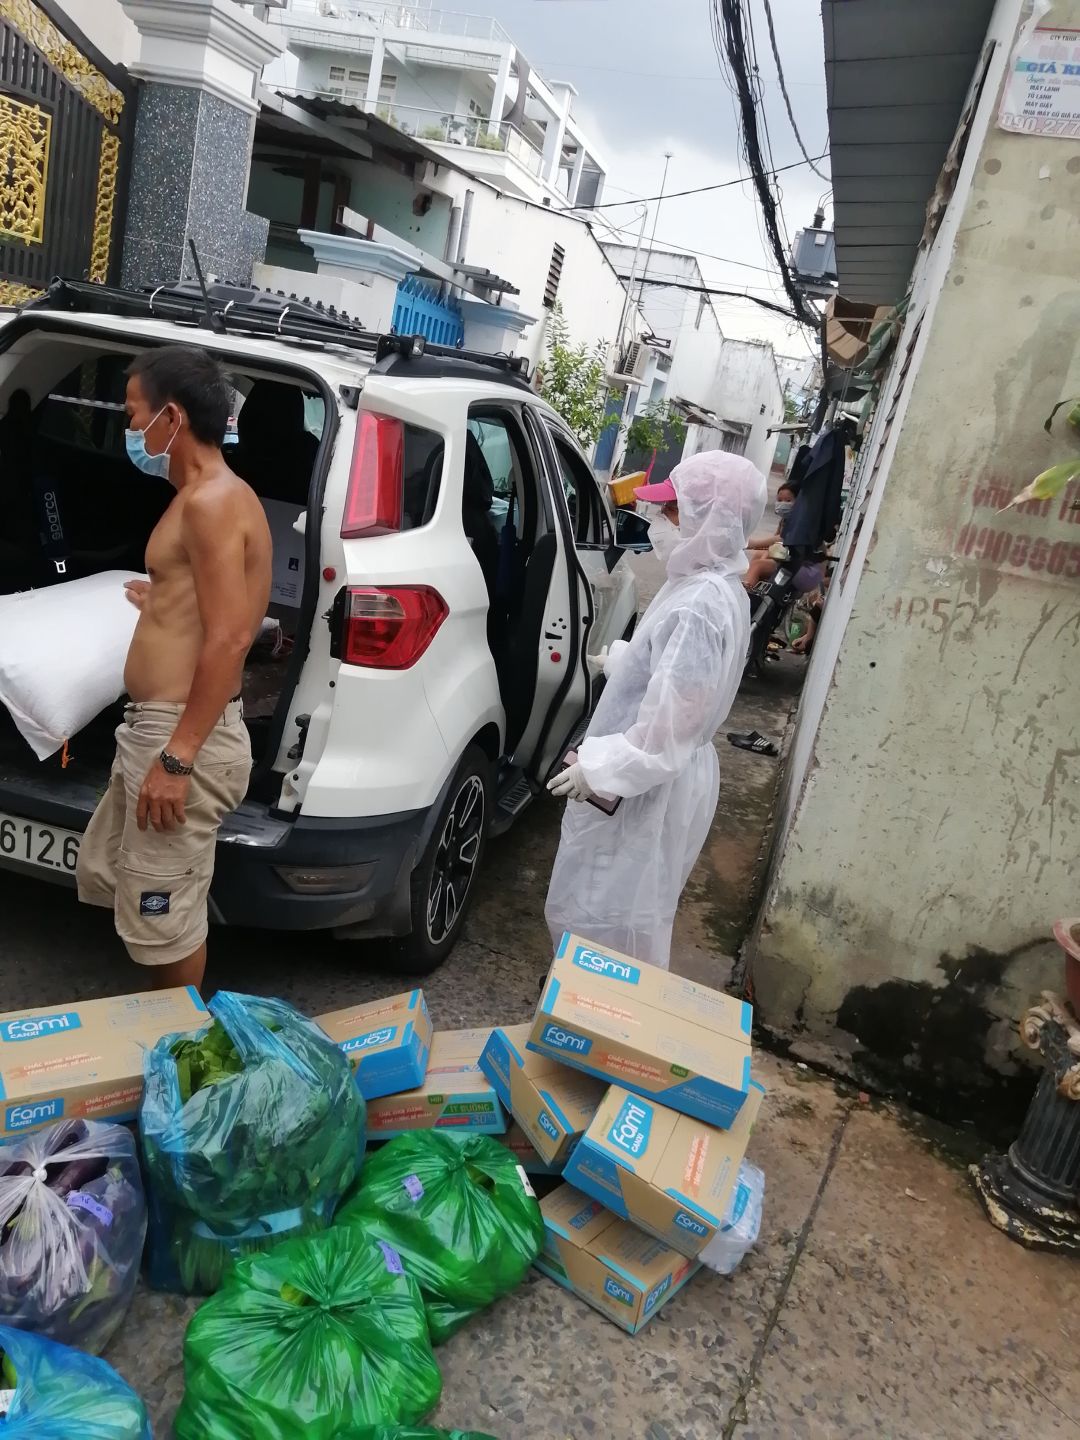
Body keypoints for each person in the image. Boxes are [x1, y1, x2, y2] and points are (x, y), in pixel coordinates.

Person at [76, 346, 272, 993]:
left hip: (181, 733)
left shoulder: (213, 500)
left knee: (167, 921)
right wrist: (159, 598)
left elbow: (232, 635)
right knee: (141, 897)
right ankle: (165, 1026)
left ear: (171, 417)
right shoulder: (200, 497)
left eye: (134, 414)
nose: (130, 428)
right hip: (157, 726)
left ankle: (181, 1043)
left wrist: (179, 755)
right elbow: (208, 607)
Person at [544, 450, 767, 970]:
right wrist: (626, 662)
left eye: (671, 510)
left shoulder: (700, 604)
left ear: (710, 519)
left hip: (649, 783)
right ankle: (586, 1000)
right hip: (666, 774)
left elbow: (664, 736)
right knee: (621, 905)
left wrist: (599, 770)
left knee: (608, 913)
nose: (656, 522)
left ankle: (595, 1008)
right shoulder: (710, 585)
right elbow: (685, 681)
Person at [742, 481, 797, 591]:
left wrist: (754, 544)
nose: (783, 504)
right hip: (782, 556)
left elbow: (780, 539)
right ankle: (754, 586)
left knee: (757, 565)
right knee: (758, 556)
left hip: (792, 562)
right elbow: (775, 544)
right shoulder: (784, 520)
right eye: (780, 500)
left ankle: (747, 592)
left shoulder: (797, 522)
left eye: (788, 500)